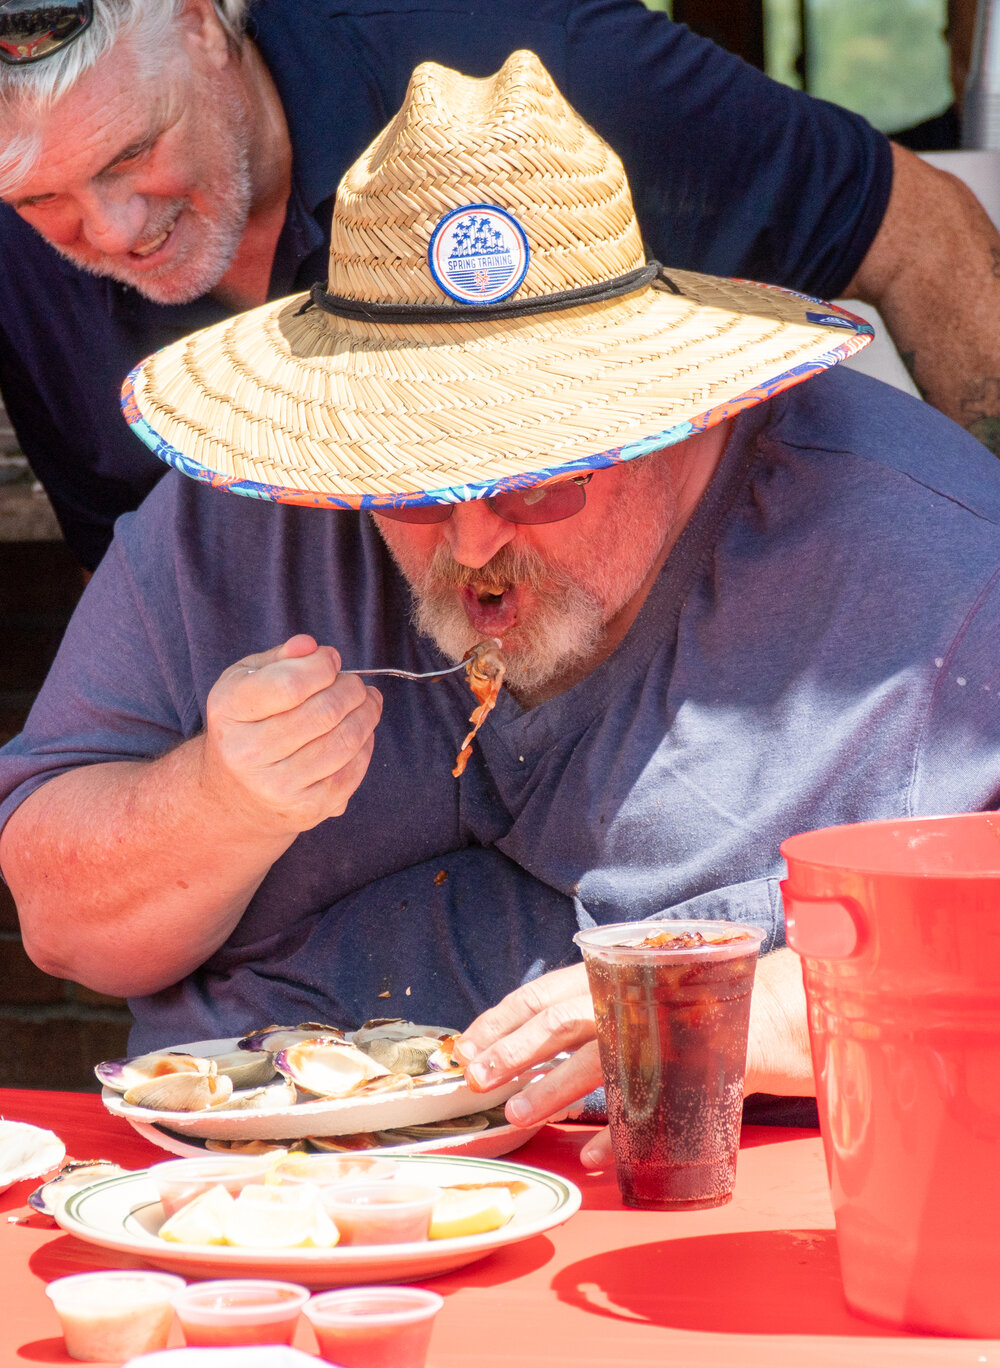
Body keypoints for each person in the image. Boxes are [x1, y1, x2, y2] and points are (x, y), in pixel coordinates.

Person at [2, 51, 1000, 1160]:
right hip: (257, 1204)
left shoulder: (933, 556)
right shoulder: (254, 509)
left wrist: (741, 1014)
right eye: (414, 486)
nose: (472, 540)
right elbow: (60, 919)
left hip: (698, 1221)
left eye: (534, 478)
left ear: (673, 414)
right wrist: (218, 801)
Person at [0, 0, 998, 570]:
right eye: (43, 198)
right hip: (306, 804)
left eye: (136, 152)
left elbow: (922, 235)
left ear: (203, 23)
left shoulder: (521, 64)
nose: (115, 227)